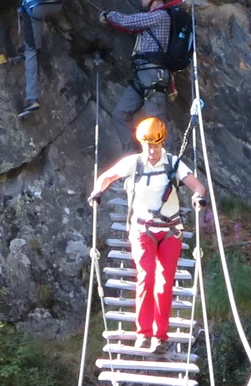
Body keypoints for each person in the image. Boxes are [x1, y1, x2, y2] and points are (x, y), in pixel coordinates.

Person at [87, 116, 207, 355]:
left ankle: (160, 337)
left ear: (162, 143)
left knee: (164, 285)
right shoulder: (134, 163)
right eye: (147, 145)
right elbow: (107, 177)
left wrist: (198, 198)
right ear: (142, 143)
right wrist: (97, 191)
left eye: (156, 145)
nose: (151, 150)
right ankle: (144, 333)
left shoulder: (174, 163)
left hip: (171, 230)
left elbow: (197, 186)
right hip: (142, 229)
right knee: (147, 276)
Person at [102, 0, 182, 125]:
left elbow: (128, 21)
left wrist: (108, 15)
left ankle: (168, 150)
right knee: (120, 114)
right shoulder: (154, 16)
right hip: (143, 74)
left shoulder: (160, 16)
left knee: (156, 120)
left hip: (153, 75)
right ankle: (132, 149)